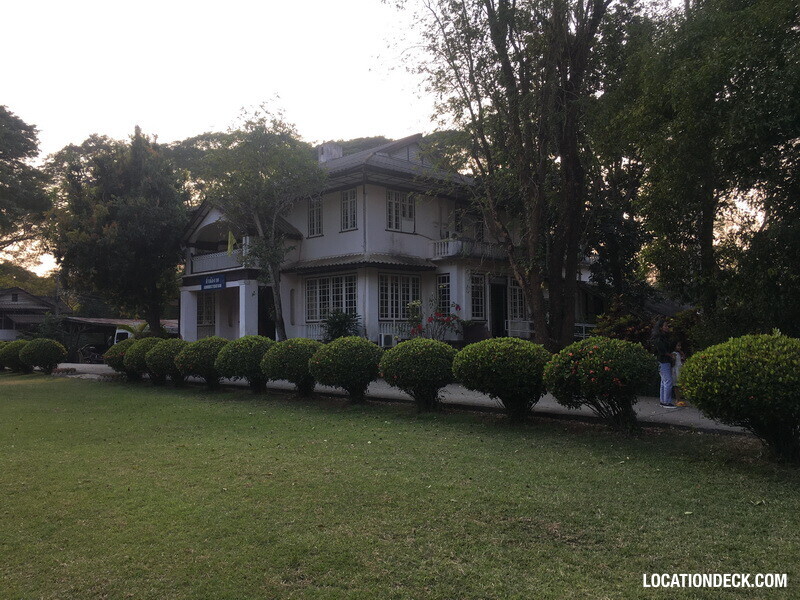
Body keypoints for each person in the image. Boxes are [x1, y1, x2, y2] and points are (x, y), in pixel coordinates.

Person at [651, 319, 678, 409]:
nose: (667, 327)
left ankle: (663, 400)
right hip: (663, 361)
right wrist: (670, 355)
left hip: (662, 360)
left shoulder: (661, 337)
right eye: (665, 326)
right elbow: (662, 350)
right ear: (660, 328)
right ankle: (666, 402)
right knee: (668, 381)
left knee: (664, 381)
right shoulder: (659, 339)